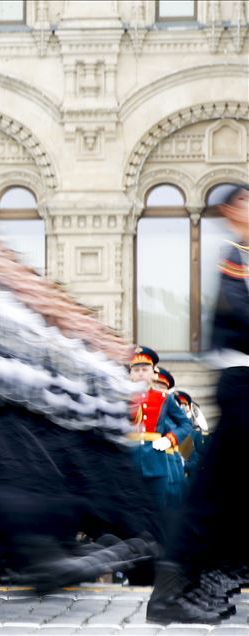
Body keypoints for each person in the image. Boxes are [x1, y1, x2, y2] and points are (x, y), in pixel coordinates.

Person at [147, 183, 249, 624]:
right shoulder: (233, 255)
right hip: (241, 381)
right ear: (230, 211)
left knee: (228, 493)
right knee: (212, 492)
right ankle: (171, 592)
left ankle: (210, 577)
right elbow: (237, 313)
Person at [127, 349, 193, 513]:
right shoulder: (122, 397)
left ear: (153, 373)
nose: (140, 374)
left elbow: (185, 423)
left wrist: (170, 439)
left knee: (157, 513)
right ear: (130, 374)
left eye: (145, 369)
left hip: (156, 463)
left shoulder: (163, 398)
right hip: (128, 461)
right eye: (136, 370)